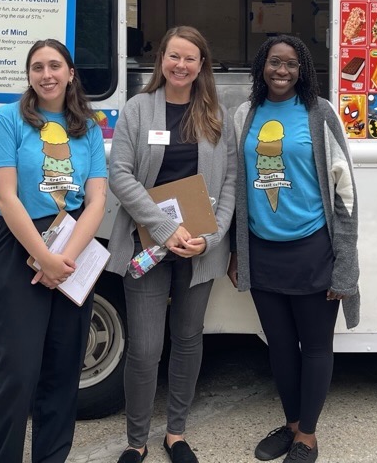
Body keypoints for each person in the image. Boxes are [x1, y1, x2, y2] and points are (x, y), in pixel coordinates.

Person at [107, 26, 237, 463]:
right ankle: (136, 440)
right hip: (147, 248)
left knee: (187, 340)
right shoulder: (138, 110)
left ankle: (176, 435)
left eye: (190, 59)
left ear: (202, 66)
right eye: (173, 56)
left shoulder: (216, 115)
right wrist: (164, 229)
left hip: (199, 250)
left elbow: (231, 182)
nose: (181, 66)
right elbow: (120, 175)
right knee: (144, 349)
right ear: (161, 59)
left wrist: (211, 238)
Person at [229, 35, 360, 463]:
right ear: (261, 67)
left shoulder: (320, 115)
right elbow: (234, 186)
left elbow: (345, 193)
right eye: (273, 62)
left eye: (290, 64)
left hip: (313, 250)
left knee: (316, 346)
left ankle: (307, 435)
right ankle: (289, 425)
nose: (281, 71)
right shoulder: (244, 115)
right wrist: (235, 250)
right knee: (280, 347)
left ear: (302, 69)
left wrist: (346, 262)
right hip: (263, 252)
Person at [0, 39, 108, 463]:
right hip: (18, 244)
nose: (47, 74)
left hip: (73, 244)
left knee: (62, 368)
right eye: (38, 67)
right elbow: (6, 198)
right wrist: (45, 258)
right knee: (18, 370)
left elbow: (97, 201)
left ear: (71, 73)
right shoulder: (7, 120)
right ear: (29, 75)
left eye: (56, 66)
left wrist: (65, 258)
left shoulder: (87, 127)